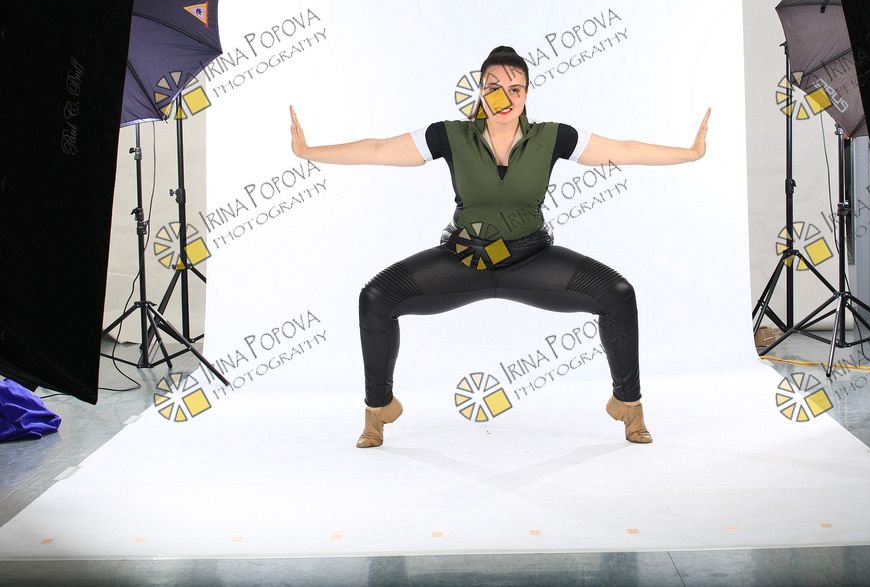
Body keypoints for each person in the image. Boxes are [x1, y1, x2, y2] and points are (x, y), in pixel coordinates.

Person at [289, 46, 710, 448]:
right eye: (493, 87)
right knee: (376, 297)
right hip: (464, 260)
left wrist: (690, 153)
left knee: (618, 294)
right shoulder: (450, 135)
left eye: (515, 88)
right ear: (480, 92)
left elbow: (624, 149)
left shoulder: (553, 137)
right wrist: (308, 151)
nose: (504, 98)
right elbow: (379, 149)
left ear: (526, 94)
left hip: (531, 260)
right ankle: (378, 410)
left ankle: (628, 406)